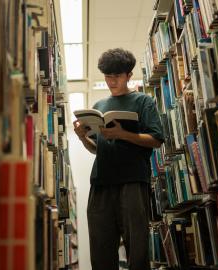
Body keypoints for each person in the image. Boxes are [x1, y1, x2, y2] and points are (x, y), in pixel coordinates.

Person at [73, 48, 164, 270]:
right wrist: (83, 138)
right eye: (107, 76)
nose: (111, 81)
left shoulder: (143, 102)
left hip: (132, 181)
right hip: (101, 183)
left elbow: (156, 139)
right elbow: (98, 148)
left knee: (137, 249)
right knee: (101, 249)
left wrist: (122, 134)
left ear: (129, 75)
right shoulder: (98, 107)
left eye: (117, 76)